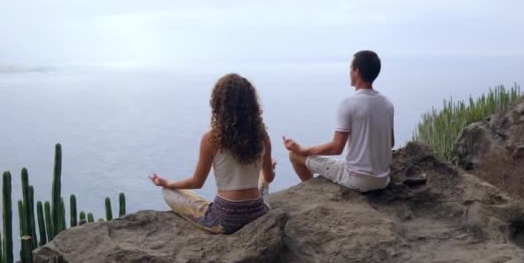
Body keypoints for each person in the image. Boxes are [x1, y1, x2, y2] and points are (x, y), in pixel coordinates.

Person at [150, 73, 276, 234]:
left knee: (168, 193)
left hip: (225, 218)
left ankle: (171, 190)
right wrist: (269, 169)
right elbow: (270, 177)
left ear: (218, 104)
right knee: (262, 179)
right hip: (257, 213)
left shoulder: (210, 139)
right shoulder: (262, 136)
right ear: (252, 104)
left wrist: (168, 183)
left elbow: (197, 182)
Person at [283, 50, 394, 192]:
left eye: (350, 68)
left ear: (357, 72)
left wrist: (302, 149)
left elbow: (336, 148)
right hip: (383, 179)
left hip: (357, 179)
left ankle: (313, 194)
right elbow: (390, 143)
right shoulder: (387, 104)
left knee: (295, 156)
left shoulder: (349, 104)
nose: (349, 72)